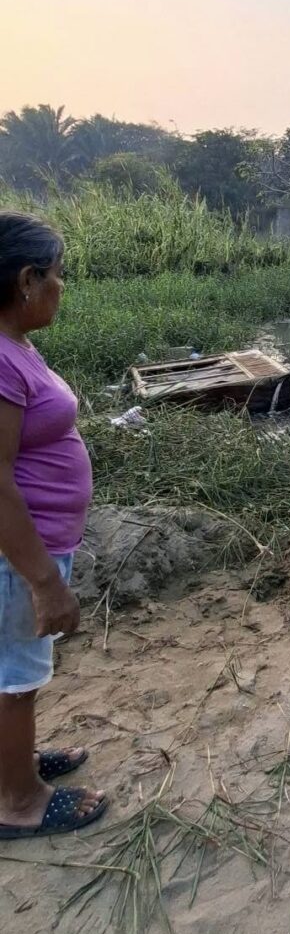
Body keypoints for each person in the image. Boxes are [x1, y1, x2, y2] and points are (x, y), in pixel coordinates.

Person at [0, 211, 106, 837]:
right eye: (57, 276)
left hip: (28, 549)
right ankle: (17, 800)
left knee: (13, 666)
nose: (62, 288)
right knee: (16, 675)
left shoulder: (16, 347)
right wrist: (44, 581)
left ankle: (13, 761)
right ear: (26, 280)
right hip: (17, 555)